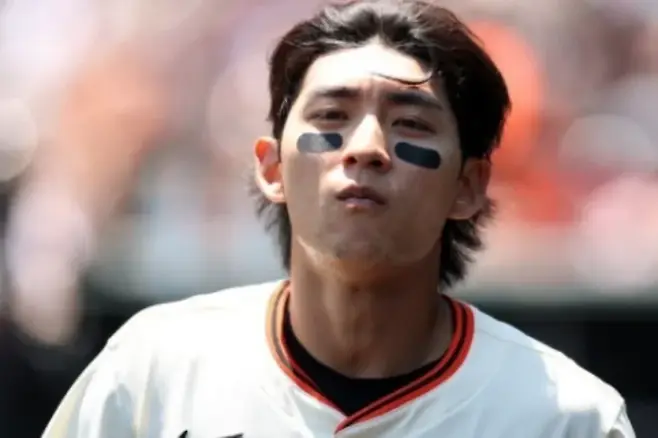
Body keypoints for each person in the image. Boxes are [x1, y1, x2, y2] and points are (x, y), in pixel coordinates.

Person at [43, 1, 635, 437]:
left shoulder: (566, 417)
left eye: (411, 123)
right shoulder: (154, 371)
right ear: (272, 168)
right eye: (332, 115)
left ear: (468, 186)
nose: (366, 147)